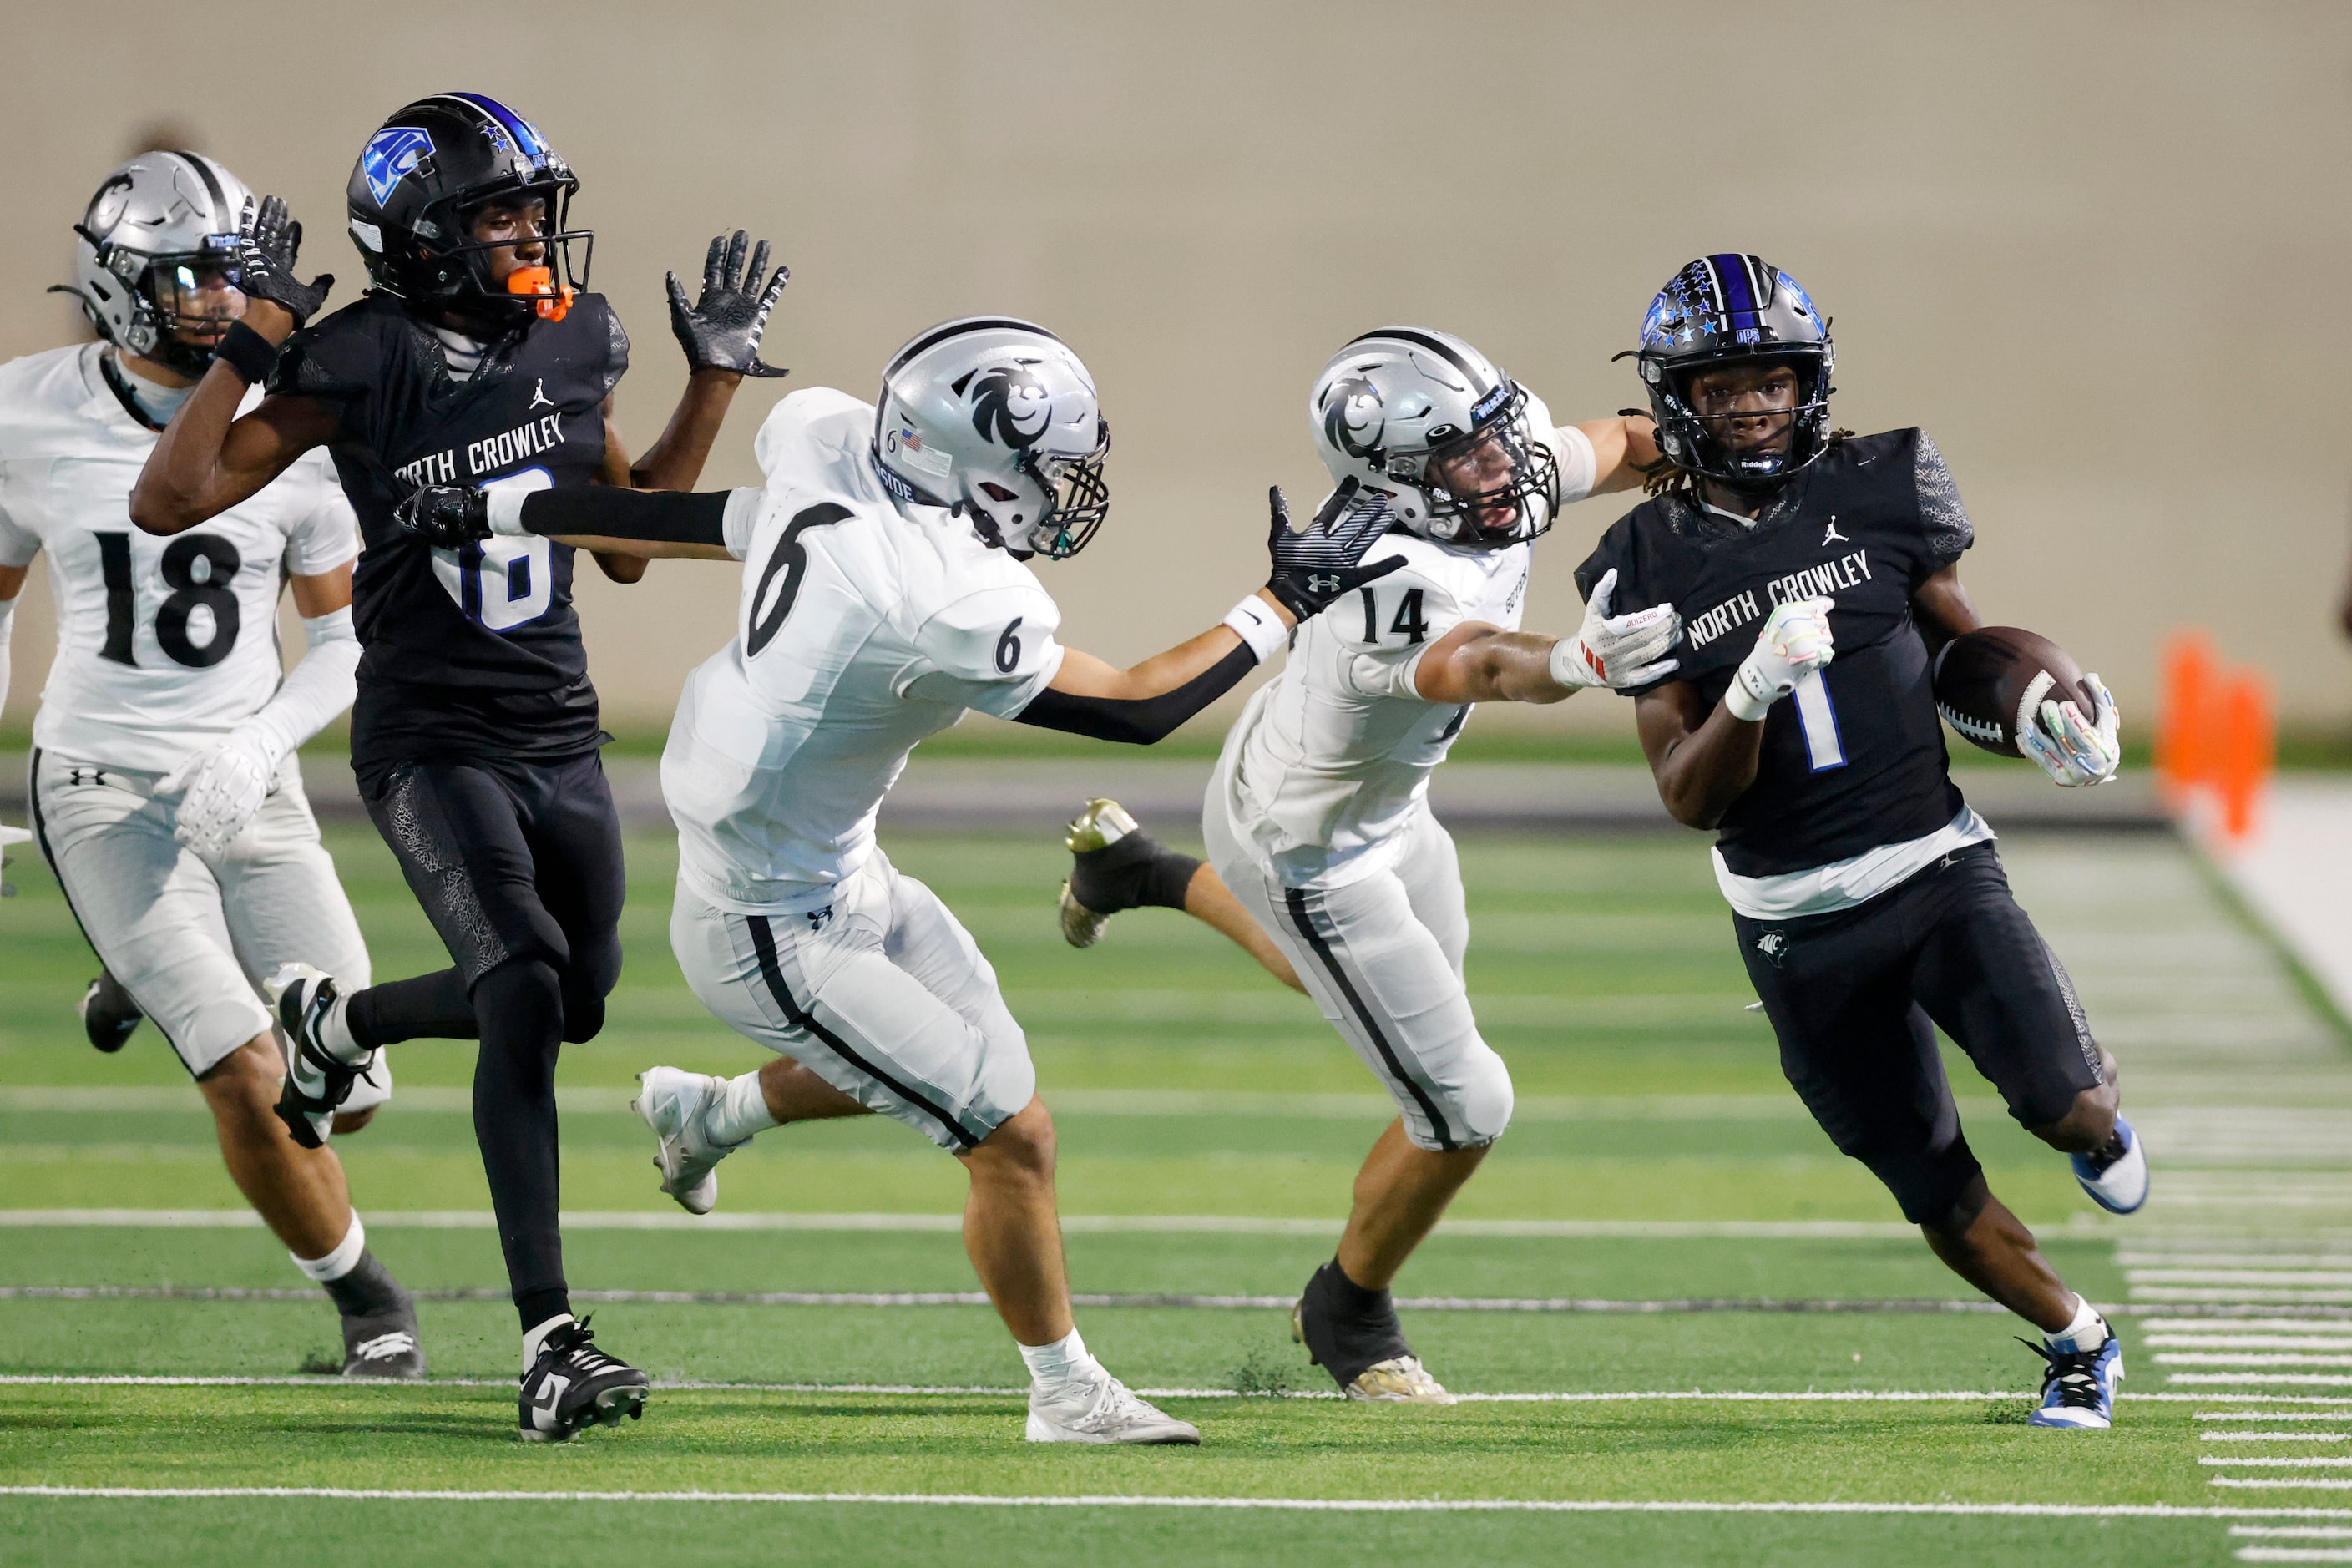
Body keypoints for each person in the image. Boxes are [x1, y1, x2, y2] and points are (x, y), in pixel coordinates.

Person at [388, 315, 1406, 1444]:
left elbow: (704, 519)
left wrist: (498, 506)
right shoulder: (938, 594)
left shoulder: (832, 454)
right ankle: (1065, 1389)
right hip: (766, 924)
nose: (1058, 486)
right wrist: (1278, 605)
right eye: (1039, 463)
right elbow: (1135, 707)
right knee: (1009, 1133)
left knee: (972, 1075)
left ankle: (708, 1111)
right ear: (960, 455)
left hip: (837, 867)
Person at [126, 93, 787, 1441]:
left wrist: (710, 377)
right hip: (428, 731)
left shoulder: (576, 332)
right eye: (501, 211)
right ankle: (550, 1337)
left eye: (534, 205)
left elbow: (622, 535)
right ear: (423, 236)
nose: (531, 230)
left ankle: (336, 1025)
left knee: (578, 997)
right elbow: (171, 498)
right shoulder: (360, 355)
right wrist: (249, 345)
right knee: (528, 991)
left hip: (555, 722)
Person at [1050, 327, 1674, 1402]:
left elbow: (1619, 440)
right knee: (1464, 1104)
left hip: (1376, 804)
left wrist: (1733, 467)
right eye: (1469, 457)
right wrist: (1575, 660)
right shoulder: (1389, 566)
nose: (1504, 467)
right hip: (1309, 843)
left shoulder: (1490, 457)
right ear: (1396, 479)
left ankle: (1140, 871)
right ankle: (1348, 1315)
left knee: (1356, 996)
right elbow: (1471, 661)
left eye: (1497, 438)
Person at [1576, 253, 2139, 1429]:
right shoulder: (1640, 560)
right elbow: (1686, 794)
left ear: (1809, 379)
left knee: (2072, 1111)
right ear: (1678, 395)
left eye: (1771, 379)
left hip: (1934, 864)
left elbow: (1960, 648)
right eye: (1722, 385)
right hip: (1793, 919)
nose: (1750, 404)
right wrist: (1750, 693)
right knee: (1929, 1178)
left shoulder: (1884, 482)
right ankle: (2077, 1339)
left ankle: (2098, 1120)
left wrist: (2044, 709)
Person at [2, 151, 418, 1375]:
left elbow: (345, 646)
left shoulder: (294, 419)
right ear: (119, 283)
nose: (221, 305)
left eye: (235, 278)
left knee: (346, 1091)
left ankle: (140, 971)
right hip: (102, 782)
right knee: (242, 1067)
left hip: (252, 778)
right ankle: (367, 1301)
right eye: (188, 280)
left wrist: (260, 740)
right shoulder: (25, 412)